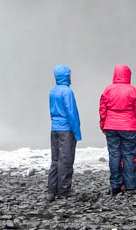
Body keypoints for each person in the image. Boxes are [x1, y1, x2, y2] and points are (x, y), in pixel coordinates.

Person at [99, 64, 136, 194]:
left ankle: (115, 185)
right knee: (129, 156)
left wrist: (103, 124)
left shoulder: (107, 90)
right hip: (130, 127)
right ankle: (130, 185)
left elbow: (102, 110)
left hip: (111, 126)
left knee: (114, 155)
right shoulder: (133, 90)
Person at [47, 64, 81, 200]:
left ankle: (52, 190)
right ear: (66, 76)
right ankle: (64, 190)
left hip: (54, 128)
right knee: (66, 160)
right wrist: (77, 132)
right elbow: (71, 113)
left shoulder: (52, 90)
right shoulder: (67, 92)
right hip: (66, 129)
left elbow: (52, 111)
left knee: (55, 159)